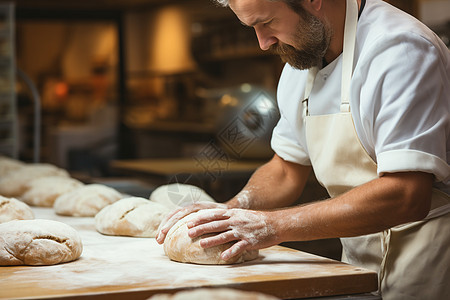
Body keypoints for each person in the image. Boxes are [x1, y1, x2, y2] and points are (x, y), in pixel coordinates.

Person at [157, 0, 450, 299]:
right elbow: (285, 170)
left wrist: (272, 225)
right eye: (253, 28)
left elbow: (407, 195)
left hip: (429, 265)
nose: (262, 43)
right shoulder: (301, 64)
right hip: (358, 270)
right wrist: (232, 211)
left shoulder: (399, 49)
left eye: (267, 22)